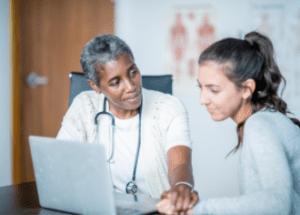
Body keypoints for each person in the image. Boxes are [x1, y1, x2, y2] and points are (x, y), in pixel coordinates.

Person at [157, 31, 300, 214]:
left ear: (247, 89)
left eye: (214, 90)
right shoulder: (266, 119)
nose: (202, 99)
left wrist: (196, 210)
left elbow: (277, 204)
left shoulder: (260, 126)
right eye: (201, 87)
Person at [56, 34, 199, 205]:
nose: (131, 87)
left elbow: (180, 164)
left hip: (157, 208)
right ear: (95, 86)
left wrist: (181, 186)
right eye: (116, 82)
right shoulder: (84, 106)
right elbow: (59, 163)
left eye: (133, 72)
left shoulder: (169, 108)